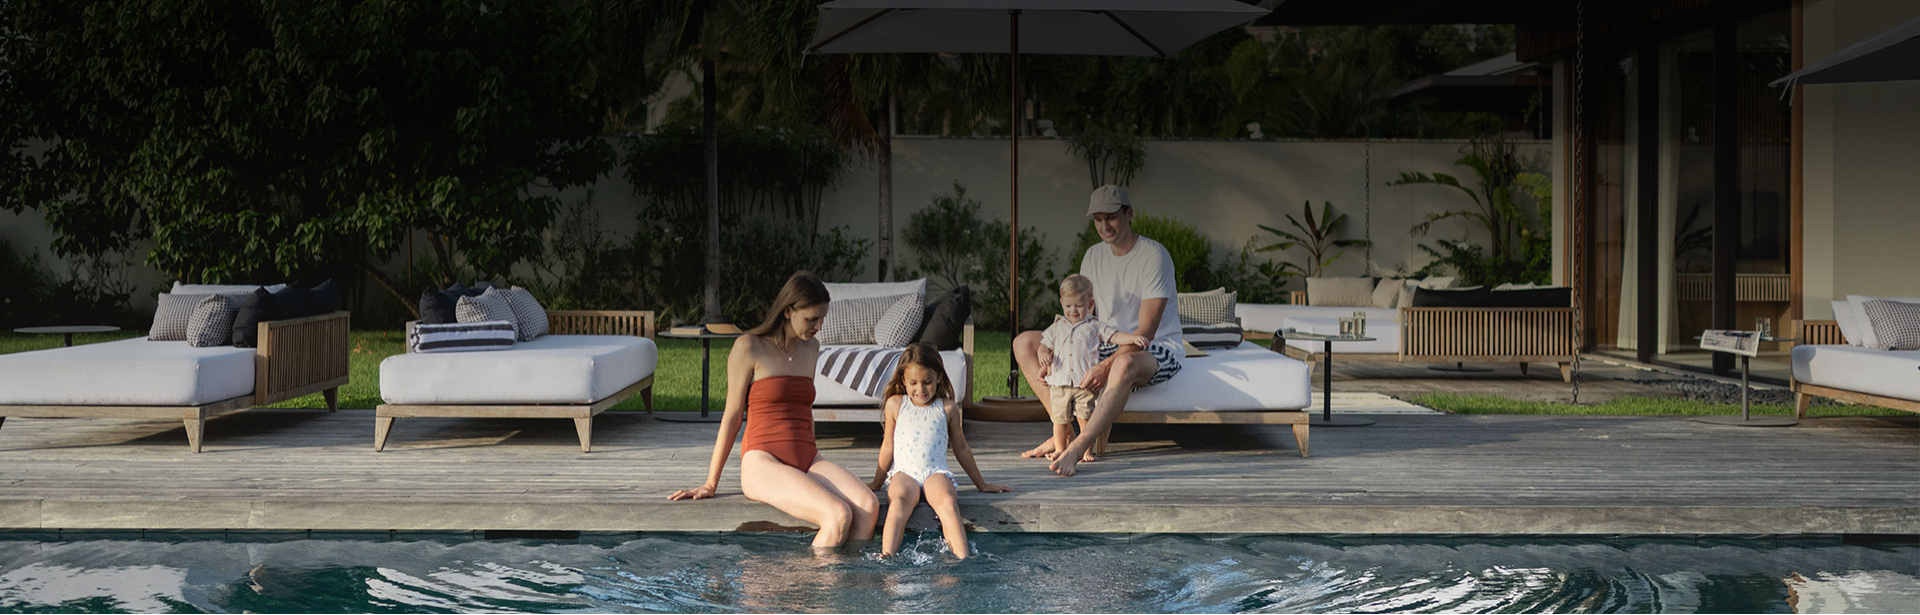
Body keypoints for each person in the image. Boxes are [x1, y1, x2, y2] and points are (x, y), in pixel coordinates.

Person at [669, 271, 880, 552]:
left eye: (821, 319)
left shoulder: (811, 348)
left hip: (806, 457)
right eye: (812, 319)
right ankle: (806, 588)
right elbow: (732, 416)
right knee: (837, 514)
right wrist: (711, 483)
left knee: (869, 505)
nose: (818, 327)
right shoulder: (748, 347)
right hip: (763, 461)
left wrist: (815, 463)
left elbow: (804, 407)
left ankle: (845, 582)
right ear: (788, 311)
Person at [1015, 185, 1184, 477]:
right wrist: (1051, 345)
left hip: (1154, 347)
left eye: (1112, 218)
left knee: (1124, 363)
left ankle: (1078, 447)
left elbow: (1147, 330)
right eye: (1098, 220)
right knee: (1024, 342)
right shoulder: (1093, 256)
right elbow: (1080, 316)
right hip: (1105, 339)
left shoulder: (1154, 256)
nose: (1104, 226)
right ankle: (1063, 428)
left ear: (1129, 214)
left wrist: (1105, 367)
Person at [868, 343, 1009, 559]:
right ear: (903, 380)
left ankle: (963, 558)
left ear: (939, 377)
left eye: (927, 382)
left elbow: (961, 448)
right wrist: (877, 483)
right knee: (899, 502)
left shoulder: (948, 408)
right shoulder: (896, 404)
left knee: (948, 502)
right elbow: (888, 445)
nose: (921, 389)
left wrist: (982, 484)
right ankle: (886, 556)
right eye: (913, 383)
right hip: (905, 472)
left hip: (935, 471)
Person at [1036, 273, 1149, 464]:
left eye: (1079, 305)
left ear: (1090, 305)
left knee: (1084, 417)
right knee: (1059, 420)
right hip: (1060, 383)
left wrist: (1132, 338)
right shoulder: (1057, 326)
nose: (1074, 310)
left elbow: (1114, 336)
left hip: (1083, 384)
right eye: (1069, 306)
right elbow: (1043, 345)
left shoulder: (1094, 326)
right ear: (1062, 303)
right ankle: (1061, 449)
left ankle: (1086, 450)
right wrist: (1043, 355)